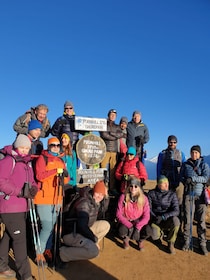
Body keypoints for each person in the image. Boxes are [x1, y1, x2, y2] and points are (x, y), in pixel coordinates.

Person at [0, 134, 38, 279]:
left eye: (27, 148)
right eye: (22, 147)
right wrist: (20, 192)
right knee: (20, 241)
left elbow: (32, 181)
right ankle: (25, 275)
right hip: (10, 205)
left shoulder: (27, 163)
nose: (24, 150)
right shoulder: (9, 160)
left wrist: (34, 189)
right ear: (16, 146)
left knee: (9, 236)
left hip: (22, 206)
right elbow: (1, 181)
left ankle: (2, 266)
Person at [33, 137, 69, 266]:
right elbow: (39, 176)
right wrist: (55, 171)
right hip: (43, 198)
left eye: (58, 145)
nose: (55, 147)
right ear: (48, 146)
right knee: (47, 227)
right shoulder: (42, 158)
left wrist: (64, 175)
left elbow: (66, 179)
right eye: (53, 145)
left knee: (52, 228)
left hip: (57, 198)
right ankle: (39, 253)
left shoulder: (60, 160)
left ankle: (48, 250)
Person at [59, 181, 110, 262]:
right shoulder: (84, 202)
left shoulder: (94, 201)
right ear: (94, 191)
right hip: (72, 233)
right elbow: (81, 226)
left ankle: (87, 247)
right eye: (98, 193)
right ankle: (63, 253)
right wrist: (94, 239)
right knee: (94, 251)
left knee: (105, 225)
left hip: (83, 230)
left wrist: (106, 197)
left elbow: (103, 209)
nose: (99, 196)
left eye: (102, 194)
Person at [180, 145, 209, 256]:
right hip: (189, 194)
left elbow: (206, 177)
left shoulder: (204, 165)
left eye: (196, 152)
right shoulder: (186, 165)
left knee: (201, 221)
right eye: (192, 152)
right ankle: (187, 241)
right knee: (188, 219)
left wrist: (193, 179)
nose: (194, 154)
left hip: (201, 196)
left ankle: (202, 243)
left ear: (199, 153)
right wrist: (185, 181)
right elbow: (181, 177)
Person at [146, 175, 180, 254]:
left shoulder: (172, 194)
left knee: (176, 221)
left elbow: (176, 210)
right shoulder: (151, 193)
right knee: (155, 237)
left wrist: (164, 216)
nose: (166, 185)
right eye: (163, 183)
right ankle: (159, 234)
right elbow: (148, 208)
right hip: (155, 219)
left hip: (167, 219)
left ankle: (171, 243)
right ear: (158, 184)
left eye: (167, 183)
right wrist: (154, 217)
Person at [116, 177, 150, 251]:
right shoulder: (123, 197)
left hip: (138, 221)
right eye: (131, 186)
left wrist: (138, 227)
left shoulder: (144, 198)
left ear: (139, 187)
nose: (133, 188)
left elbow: (146, 216)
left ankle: (140, 240)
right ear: (128, 187)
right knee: (121, 230)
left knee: (148, 231)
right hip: (127, 221)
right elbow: (118, 214)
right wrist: (130, 226)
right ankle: (126, 239)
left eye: (135, 186)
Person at [100, 109, 124, 194]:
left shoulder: (117, 126)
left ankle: (112, 188)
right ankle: (102, 187)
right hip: (105, 149)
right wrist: (115, 136)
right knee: (102, 169)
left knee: (112, 170)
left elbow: (120, 134)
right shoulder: (103, 124)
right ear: (108, 115)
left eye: (114, 115)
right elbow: (104, 135)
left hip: (114, 151)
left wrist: (111, 134)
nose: (113, 116)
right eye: (111, 114)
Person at [157, 135, 186, 204]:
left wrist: (183, 178)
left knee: (179, 201)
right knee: (166, 201)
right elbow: (159, 167)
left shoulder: (181, 154)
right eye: (170, 142)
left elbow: (184, 167)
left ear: (177, 143)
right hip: (166, 181)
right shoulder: (162, 154)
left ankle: (177, 214)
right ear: (167, 142)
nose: (172, 144)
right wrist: (159, 179)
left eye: (174, 142)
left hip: (178, 181)